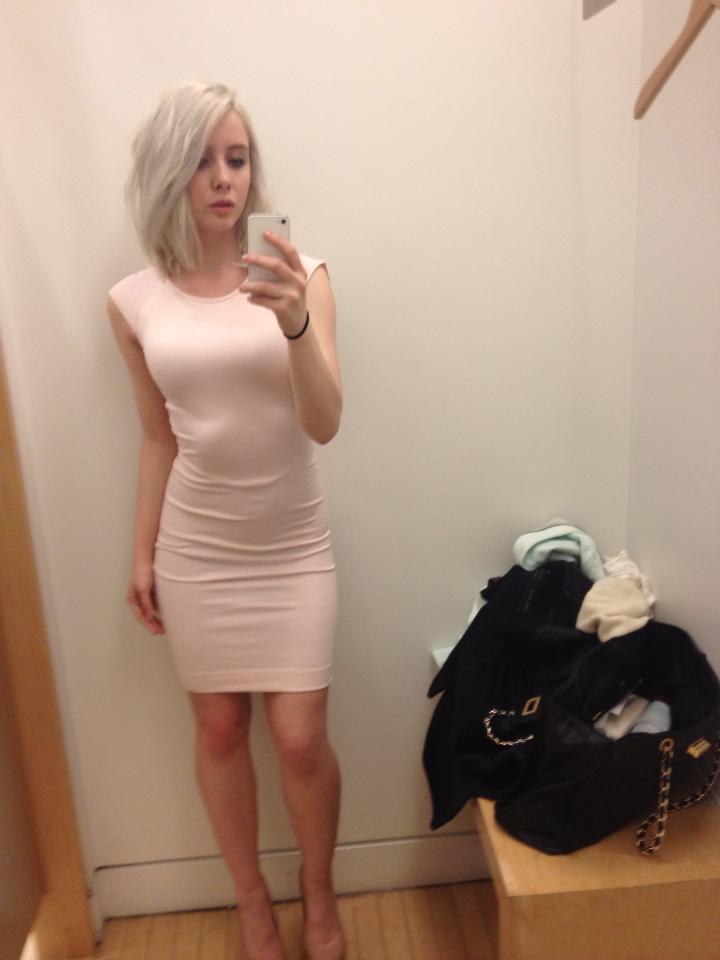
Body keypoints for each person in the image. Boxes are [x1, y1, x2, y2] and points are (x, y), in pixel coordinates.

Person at [107, 81, 345, 960]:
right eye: (202, 160)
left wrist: (294, 325)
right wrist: (142, 553)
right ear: (168, 171)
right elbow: (156, 438)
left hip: (292, 546)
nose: (223, 179)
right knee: (217, 730)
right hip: (198, 548)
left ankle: (318, 893)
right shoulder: (133, 301)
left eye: (237, 159)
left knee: (300, 737)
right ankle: (251, 902)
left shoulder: (302, 276)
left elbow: (325, 423)